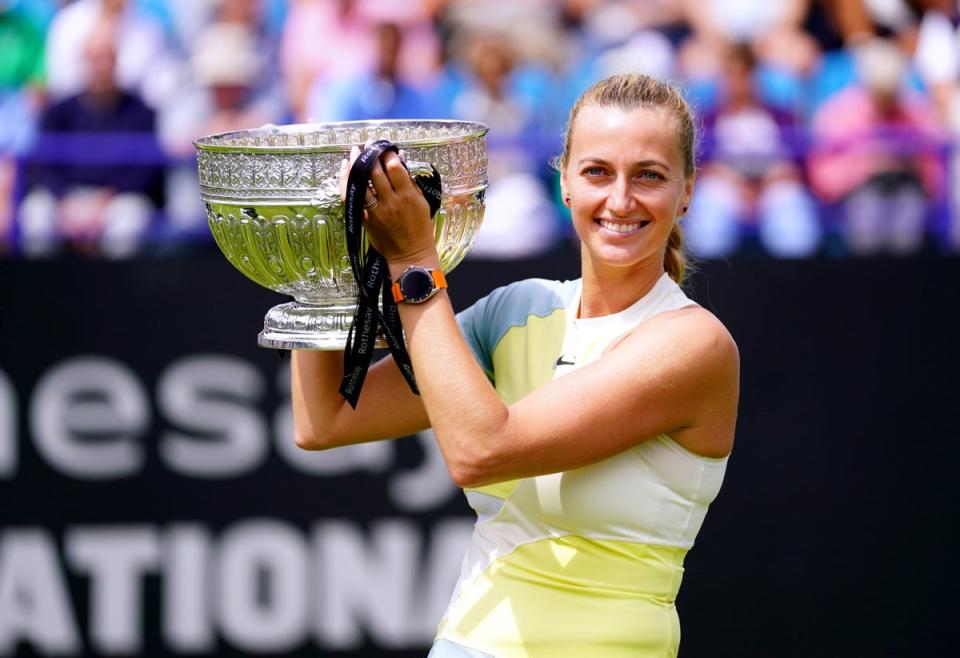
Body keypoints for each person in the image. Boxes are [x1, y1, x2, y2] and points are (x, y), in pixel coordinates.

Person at [291, 74, 739, 657]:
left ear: (686, 191)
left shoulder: (693, 345)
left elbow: (481, 451)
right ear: (565, 184)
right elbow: (324, 420)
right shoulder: (516, 310)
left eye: (649, 175)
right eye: (598, 171)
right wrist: (321, 257)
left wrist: (413, 261)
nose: (621, 200)